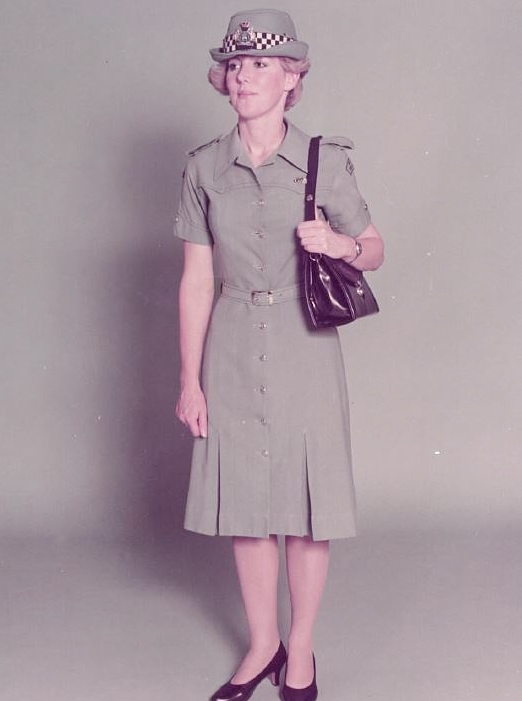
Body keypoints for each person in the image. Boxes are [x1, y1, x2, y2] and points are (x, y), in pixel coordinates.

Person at [174, 9, 384, 701]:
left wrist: (341, 246)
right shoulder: (204, 166)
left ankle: (300, 650)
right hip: (231, 342)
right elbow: (197, 277)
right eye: (235, 65)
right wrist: (188, 378)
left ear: (291, 77)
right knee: (244, 505)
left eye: (260, 64)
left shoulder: (323, 161)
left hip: (304, 342)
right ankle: (261, 643)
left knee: (304, 507)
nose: (244, 76)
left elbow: (375, 248)